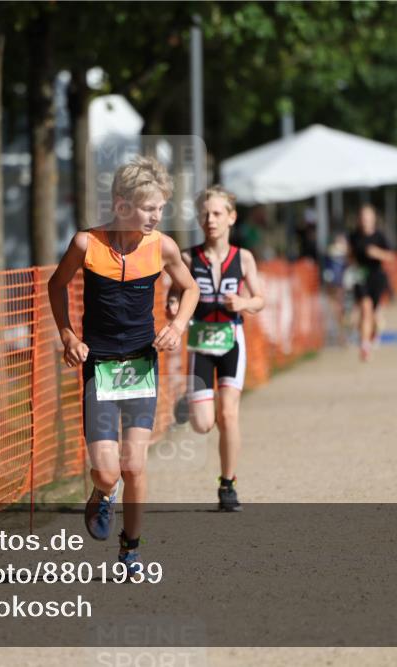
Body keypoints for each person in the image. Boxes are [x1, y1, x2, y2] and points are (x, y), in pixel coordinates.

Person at [47, 156, 199, 574]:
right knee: (107, 471)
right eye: (149, 207)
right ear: (121, 205)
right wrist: (67, 335)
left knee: (134, 465)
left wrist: (178, 325)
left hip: (141, 365)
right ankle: (102, 494)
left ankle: (130, 549)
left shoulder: (163, 247)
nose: (156, 216)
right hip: (99, 364)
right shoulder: (86, 244)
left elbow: (190, 289)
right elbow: (56, 285)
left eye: (160, 208)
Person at [167, 185, 265, 511]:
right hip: (199, 342)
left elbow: (261, 298)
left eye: (218, 213)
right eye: (206, 213)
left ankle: (228, 484)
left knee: (229, 413)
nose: (211, 219)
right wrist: (172, 305)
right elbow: (174, 293)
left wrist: (244, 301)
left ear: (231, 218)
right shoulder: (187, 257)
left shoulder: (244, 258)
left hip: (231, 340)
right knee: (203, 423)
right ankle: (194, 403)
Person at [348, 204, 395, 361]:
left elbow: (391, 256)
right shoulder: (354, 236)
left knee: (373, 314)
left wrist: (376, 253)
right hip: (361, 277)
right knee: (365, 308)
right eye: (362, 217)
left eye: (368, 217)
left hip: (377, 277)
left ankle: (373, 333)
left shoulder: (380, 236)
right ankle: (364, 346)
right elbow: (350, 256)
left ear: (373, 219)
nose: (365, 220)